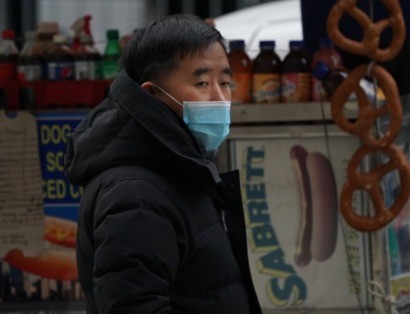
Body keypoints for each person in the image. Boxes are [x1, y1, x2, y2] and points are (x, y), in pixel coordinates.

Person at [64, 14, 262, 314]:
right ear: (150, 94)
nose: (219, 98)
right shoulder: (135, 196)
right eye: (202, 83)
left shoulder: (184, 170)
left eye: (225, 82)